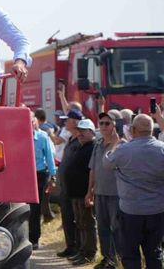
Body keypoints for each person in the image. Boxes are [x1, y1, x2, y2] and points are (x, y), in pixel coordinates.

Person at [104, 114, 164, 269]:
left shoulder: (124, 149)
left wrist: (115, 145)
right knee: (154, 253)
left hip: (131, 211)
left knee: (130, 254)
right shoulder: (162, 149)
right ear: (151, 130)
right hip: (157, 210)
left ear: (133, 130)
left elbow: (107, 164)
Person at [85, 112, 123, 269]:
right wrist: (89, 191)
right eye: (101, 123)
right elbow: (92, 170)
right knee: (102, 227)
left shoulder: (122, 145)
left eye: (107, 123)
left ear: (114, 125)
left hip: (116, 194)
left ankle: (117, 260)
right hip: (99, 193)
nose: (103, 126)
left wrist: (115, 142)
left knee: (117, 228)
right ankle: (107, 258)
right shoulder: (98, 144)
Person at [62, 118, 97, 265]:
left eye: (84, 131)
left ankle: (89, 253)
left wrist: (90, 192)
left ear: (91, 132)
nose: (80, 133)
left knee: (87, 224)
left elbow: (93, 172)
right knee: (80, 223)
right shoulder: (81, 146)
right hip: (75, 193)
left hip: (84, 193)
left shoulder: (93, 147)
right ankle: (82, 251)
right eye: (79, 131)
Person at [53, 109, 83, 258]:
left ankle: (79, 248)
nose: (65, 123)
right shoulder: (71, 138)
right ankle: (70, 246)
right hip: (66, 186)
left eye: (68, 120)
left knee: (78, 219)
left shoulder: (81, 140)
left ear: (75, 122)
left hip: (76, 187)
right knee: (66, 217)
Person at [29, 113, 56, 250]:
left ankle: (34, 239)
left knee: (35, 208)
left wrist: (53, 176)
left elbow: (49, 157)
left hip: (39, 174)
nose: (30, 124)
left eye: (32, 121)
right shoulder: (19, 136)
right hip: (24, 175)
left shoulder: (42, 137)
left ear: (36, 122)